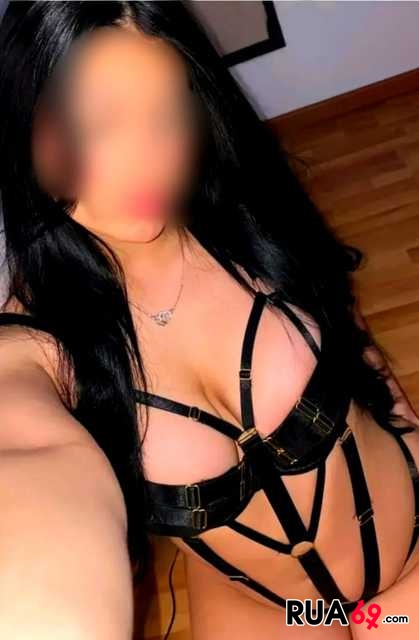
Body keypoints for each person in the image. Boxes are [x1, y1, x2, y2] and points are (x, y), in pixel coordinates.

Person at [0, 2, 418, 639]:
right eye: (102, 123)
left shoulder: (243, 202)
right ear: (29, 128)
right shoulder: (34, 344)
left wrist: (405, 418)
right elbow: (23, 460)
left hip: (411, 544)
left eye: (168, 113)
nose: (150, 158)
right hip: (278, 614)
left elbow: (341, 315)